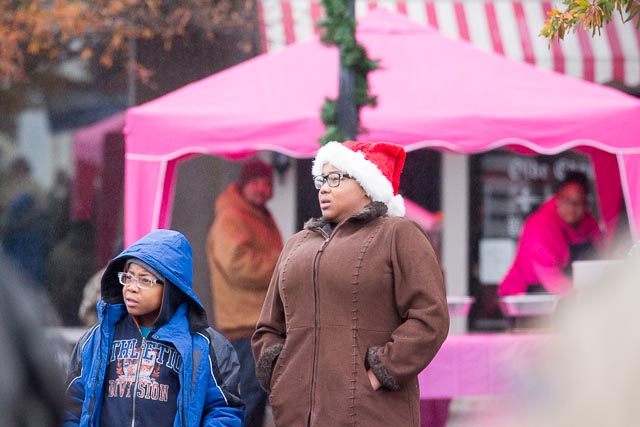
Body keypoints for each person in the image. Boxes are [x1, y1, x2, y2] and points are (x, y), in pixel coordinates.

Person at [251, 141, 450, 427]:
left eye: (335, 178)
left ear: (366, 184)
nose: (324, 188)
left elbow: (430, 317)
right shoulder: (296, 245)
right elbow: (268, 327)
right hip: (296, 414)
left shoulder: (398, 234)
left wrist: (381, 371)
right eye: (322, 179)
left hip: (370, 414)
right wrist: (280, 373)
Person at [63, 229, 244, 426]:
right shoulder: (98, 338)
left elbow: (224, 411)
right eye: (129, 277)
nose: (132, 287)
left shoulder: (204, 347)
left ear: (171, 288)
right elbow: (70, 405)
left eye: (144, 280)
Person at [206, 158, 283, 427]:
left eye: (267, 183)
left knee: (256, 400)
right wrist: (281, 263)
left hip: (258, 325)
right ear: (244, 184)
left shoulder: (257, 215)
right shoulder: (232, 218)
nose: (262, 189)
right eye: (256, 182)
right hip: (243, 330)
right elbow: (238, 265)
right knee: (247, 401)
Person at [499, 171, 603, 296]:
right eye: (567, 201)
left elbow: (602, 255)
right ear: (558, 199)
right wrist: (589, 296)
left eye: (579, 203)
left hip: (566, 298)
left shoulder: (589, 224)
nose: (572, 208)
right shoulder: (540, 226)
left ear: (586, 204)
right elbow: (552, 279)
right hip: (526, 297)